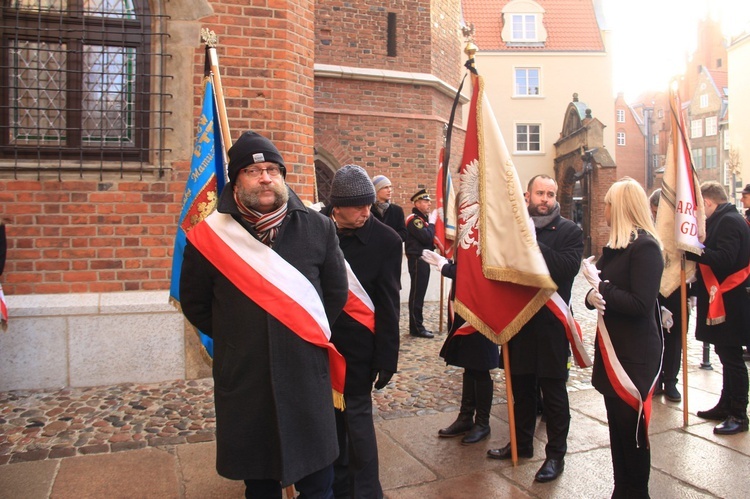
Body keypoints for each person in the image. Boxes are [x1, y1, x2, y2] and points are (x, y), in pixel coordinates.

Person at [180, 131, 349, 498]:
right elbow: (195, 304)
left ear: (283, 176)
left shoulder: (318, 228)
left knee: (319, 484)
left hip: (306, 372)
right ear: (236, 182)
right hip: (247, 378)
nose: (266, 177)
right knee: (259, 484)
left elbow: (335, 294)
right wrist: (238, 337)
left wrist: (300, 332)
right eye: (253, 171)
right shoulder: (208, 238)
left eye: (272, 169)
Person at [486, 175, 584, 484]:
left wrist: (531, 240)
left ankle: (555, 455)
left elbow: (565, 268)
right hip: (519, 323)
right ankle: (522, 443)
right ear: (528, 195)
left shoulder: (570, 231)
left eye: (550, 194)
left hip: (551, 326)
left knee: (553, 393)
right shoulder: (512, 230)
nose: (545, 198)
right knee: (521, 391)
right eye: (540, 193)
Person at [321, 165, 402, 498]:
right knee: (328, 424)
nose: (367, 212)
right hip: (321, 345)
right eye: (358, 205)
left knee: (357, 422)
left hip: (359, 349)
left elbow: (388, 304)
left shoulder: (386, 240)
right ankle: (336, 488)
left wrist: (387, 357)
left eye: (369, 203)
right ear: (337, 206)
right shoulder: (316, 229)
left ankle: (368, 491)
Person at [583, 177, 664, 498]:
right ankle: (622, 489)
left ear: (621, 208)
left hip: (633, 357)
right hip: (612, 350)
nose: (603, 209)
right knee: (617, 431)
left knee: (632, 435)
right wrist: (592, 295)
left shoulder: (646, 248)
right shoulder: (616, 248)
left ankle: (636, 491)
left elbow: (641, 305)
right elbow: (601, 290)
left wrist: (601, 288)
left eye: (608, 204)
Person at [686, 181, 750, 434]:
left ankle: (739, 413)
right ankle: (726, 404)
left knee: (732, 359)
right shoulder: (724, 220)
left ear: (709, 203)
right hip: (723, 300)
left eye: (701, 207)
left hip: (732, 302)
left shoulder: (730, 222)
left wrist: (693, 251)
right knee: (725, 356)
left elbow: (725, 259)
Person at [420, 249, 500, 445]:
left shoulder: (487, 233)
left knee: (480, 365)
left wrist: (445, 266)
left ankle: (482, 422)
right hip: (467, 304)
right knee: (469, 363)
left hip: (481, 306)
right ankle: (466, 417)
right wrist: (448, 263)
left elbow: (476, 272)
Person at [649, 189, 684, 402]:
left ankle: (671, 380)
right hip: (653, 290)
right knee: (654, 338)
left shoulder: (678, 229)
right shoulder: (647, 228)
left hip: (675, 288)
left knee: (674, 338)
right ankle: (656, 380)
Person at [405, 188, 436, 338]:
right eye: (425, 201)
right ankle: (416, 327)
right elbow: (426, 237)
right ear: (417, 203)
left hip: (423, 259)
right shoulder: (414, 220)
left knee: (420, 294)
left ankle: (417, 325)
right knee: (417, 294)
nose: (429, 203)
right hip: (417, 260)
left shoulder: (423, 219)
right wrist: (433, 225)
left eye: (429, 201)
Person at [371, 175, 407, 242]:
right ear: (377, 190)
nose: (389, 190)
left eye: (390, 187)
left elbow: (404, 233)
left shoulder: (397, 210)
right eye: (385, 187)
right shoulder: (368, 210)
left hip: (391, 249)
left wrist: (389, 238)